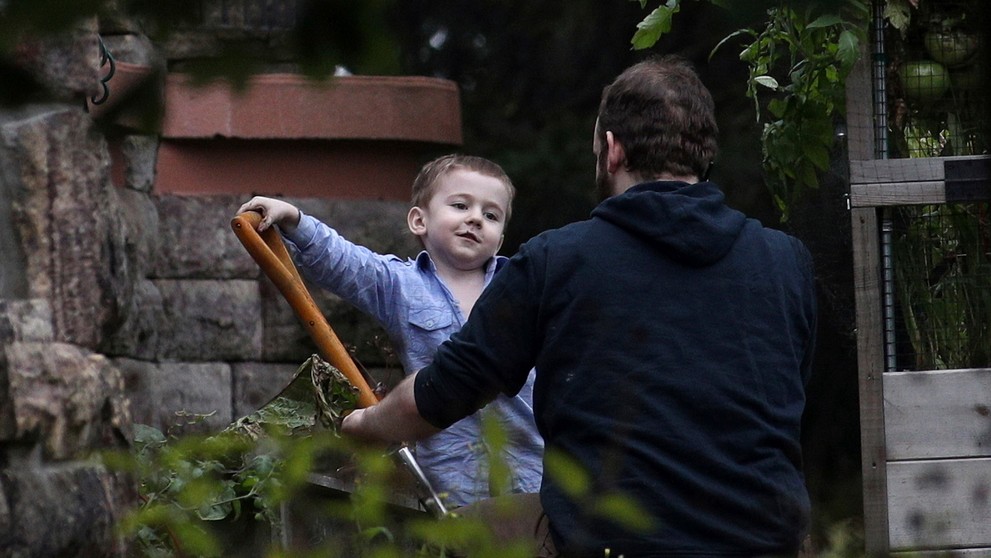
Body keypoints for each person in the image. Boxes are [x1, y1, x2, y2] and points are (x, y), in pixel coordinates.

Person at [341, 55, 817, 557]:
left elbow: (445, 391)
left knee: (450, 540)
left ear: (612, 150)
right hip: (768, 542)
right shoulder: (787, 262)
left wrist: (365, 426)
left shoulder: (556, 260)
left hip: (611, 542)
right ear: (703, 156)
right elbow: (788, 394)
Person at [237, 154, 544, 508]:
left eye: (491, 215)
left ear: (501, 237)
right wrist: (294, 219)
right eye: (460, 205)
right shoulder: (400, 284)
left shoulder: (523, 286)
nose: (475, 218)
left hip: (530, 467)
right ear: (419, 220)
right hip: (448, 475)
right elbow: (345, 262)